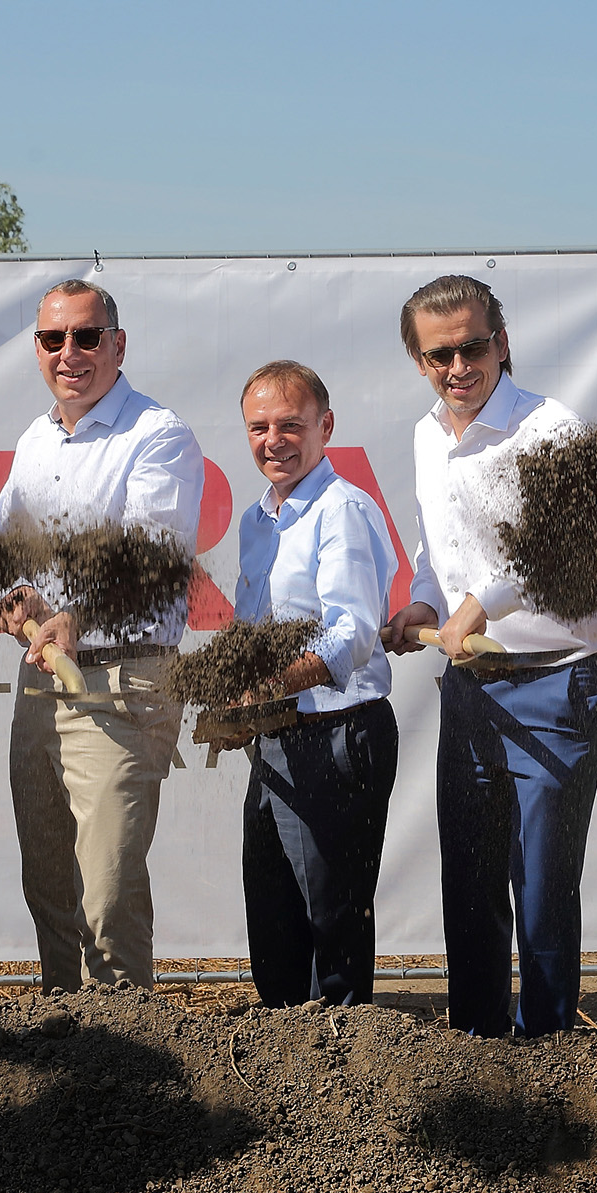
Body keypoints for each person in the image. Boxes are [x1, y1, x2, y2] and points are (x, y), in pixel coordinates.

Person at [378, 274, 597, 1038]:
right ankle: (478, 1045)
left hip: (557, 681)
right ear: (419, 361)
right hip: (472, 684)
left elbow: (577, 547)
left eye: (472, 346)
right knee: (471, 874)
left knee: (542, 879)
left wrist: (485, 600)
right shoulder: (424, 435)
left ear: (502, 342)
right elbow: (432, 546)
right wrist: (424, 599)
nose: (458, 366)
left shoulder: (551, 430)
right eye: (438, 353)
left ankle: (547, 1049)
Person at [0, 279, 202, 991]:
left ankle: (126, 1073)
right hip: (42, 681)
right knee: (49, 886)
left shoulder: (158, 435)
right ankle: (66, 1057)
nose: (70, 353)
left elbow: (148, 558)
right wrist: (14, 596)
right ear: (38, 348)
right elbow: (4, 551)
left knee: (105, 897)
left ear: (118, 344)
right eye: (54, 339)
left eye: (86, 337)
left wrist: (71, 616)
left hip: (120, 681)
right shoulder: (34, 437)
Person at [230, 360, 400, 1006]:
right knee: (273, 920)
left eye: (290, 425)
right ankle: (280, 1077)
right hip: (275, 737)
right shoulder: (256, 521)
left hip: (337, 736)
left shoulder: (343, 510)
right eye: (259, 427)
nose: (273, 440)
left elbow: (353, 631)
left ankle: (337, 1082)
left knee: (332, 926)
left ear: (324, 427)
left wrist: (266, 685)